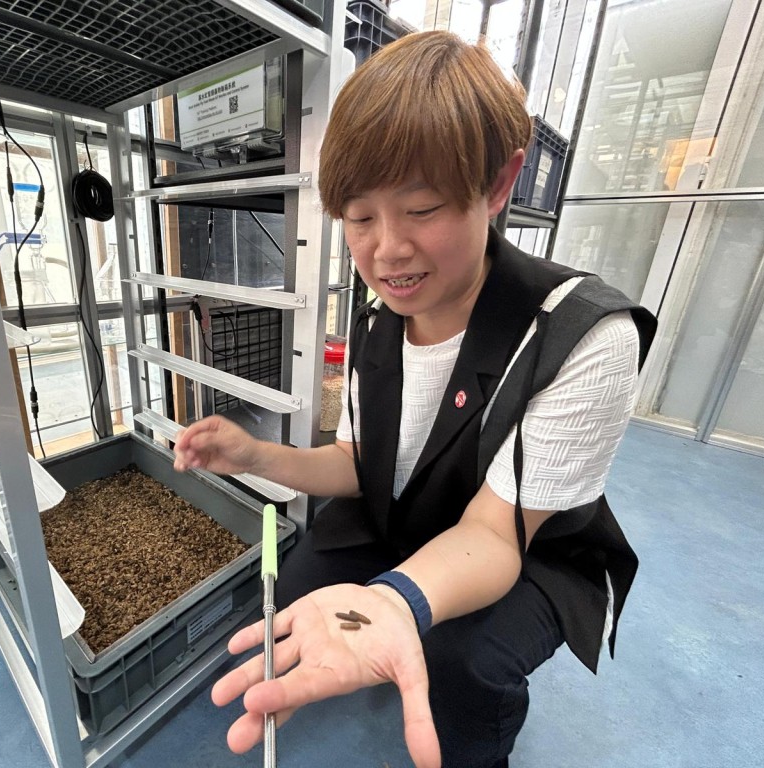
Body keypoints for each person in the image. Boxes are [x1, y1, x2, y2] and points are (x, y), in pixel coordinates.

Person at [173, 30, 656, 768]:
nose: (386, 250)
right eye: (360, 218)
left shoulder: (582, 334)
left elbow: (495, 536)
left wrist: (397, 598)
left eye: (422, 208)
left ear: (499, 184)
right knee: (300, 586)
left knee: (466, 664)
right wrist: (257, 454)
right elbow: (363, 461)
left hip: (531, 547)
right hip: (413, 512)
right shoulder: (379, 318)